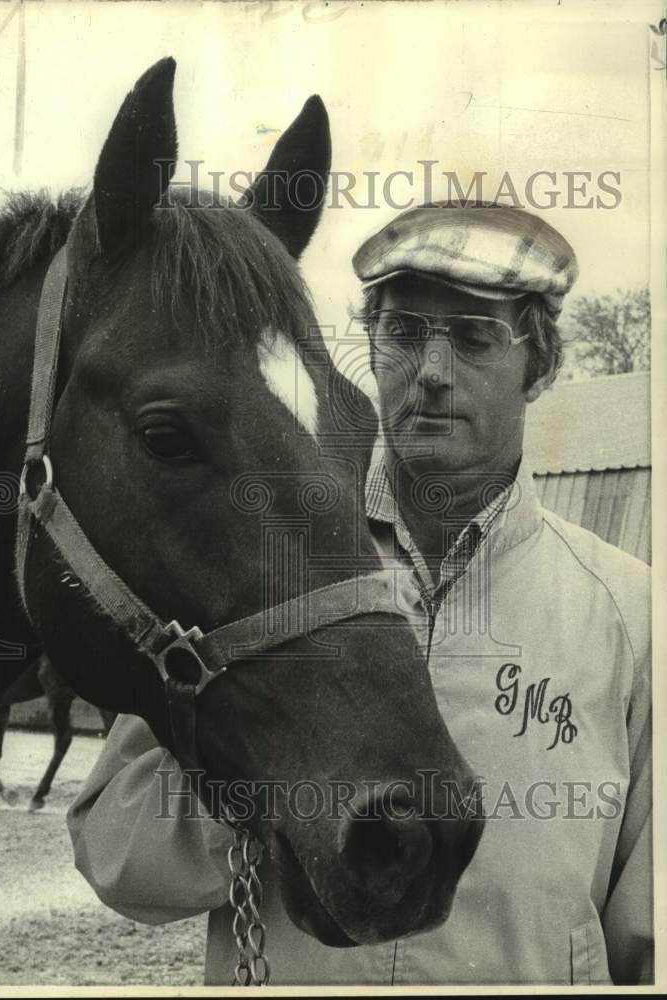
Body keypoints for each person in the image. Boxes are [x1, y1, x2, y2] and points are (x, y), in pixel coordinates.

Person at [67, 202, 652, 985]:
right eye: (404, 333)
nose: (433, 372)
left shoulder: (629, 614)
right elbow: (117, 856)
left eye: (475, 338)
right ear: (371, 352)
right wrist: (261, 772)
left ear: (539, 367)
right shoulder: (264, 562)